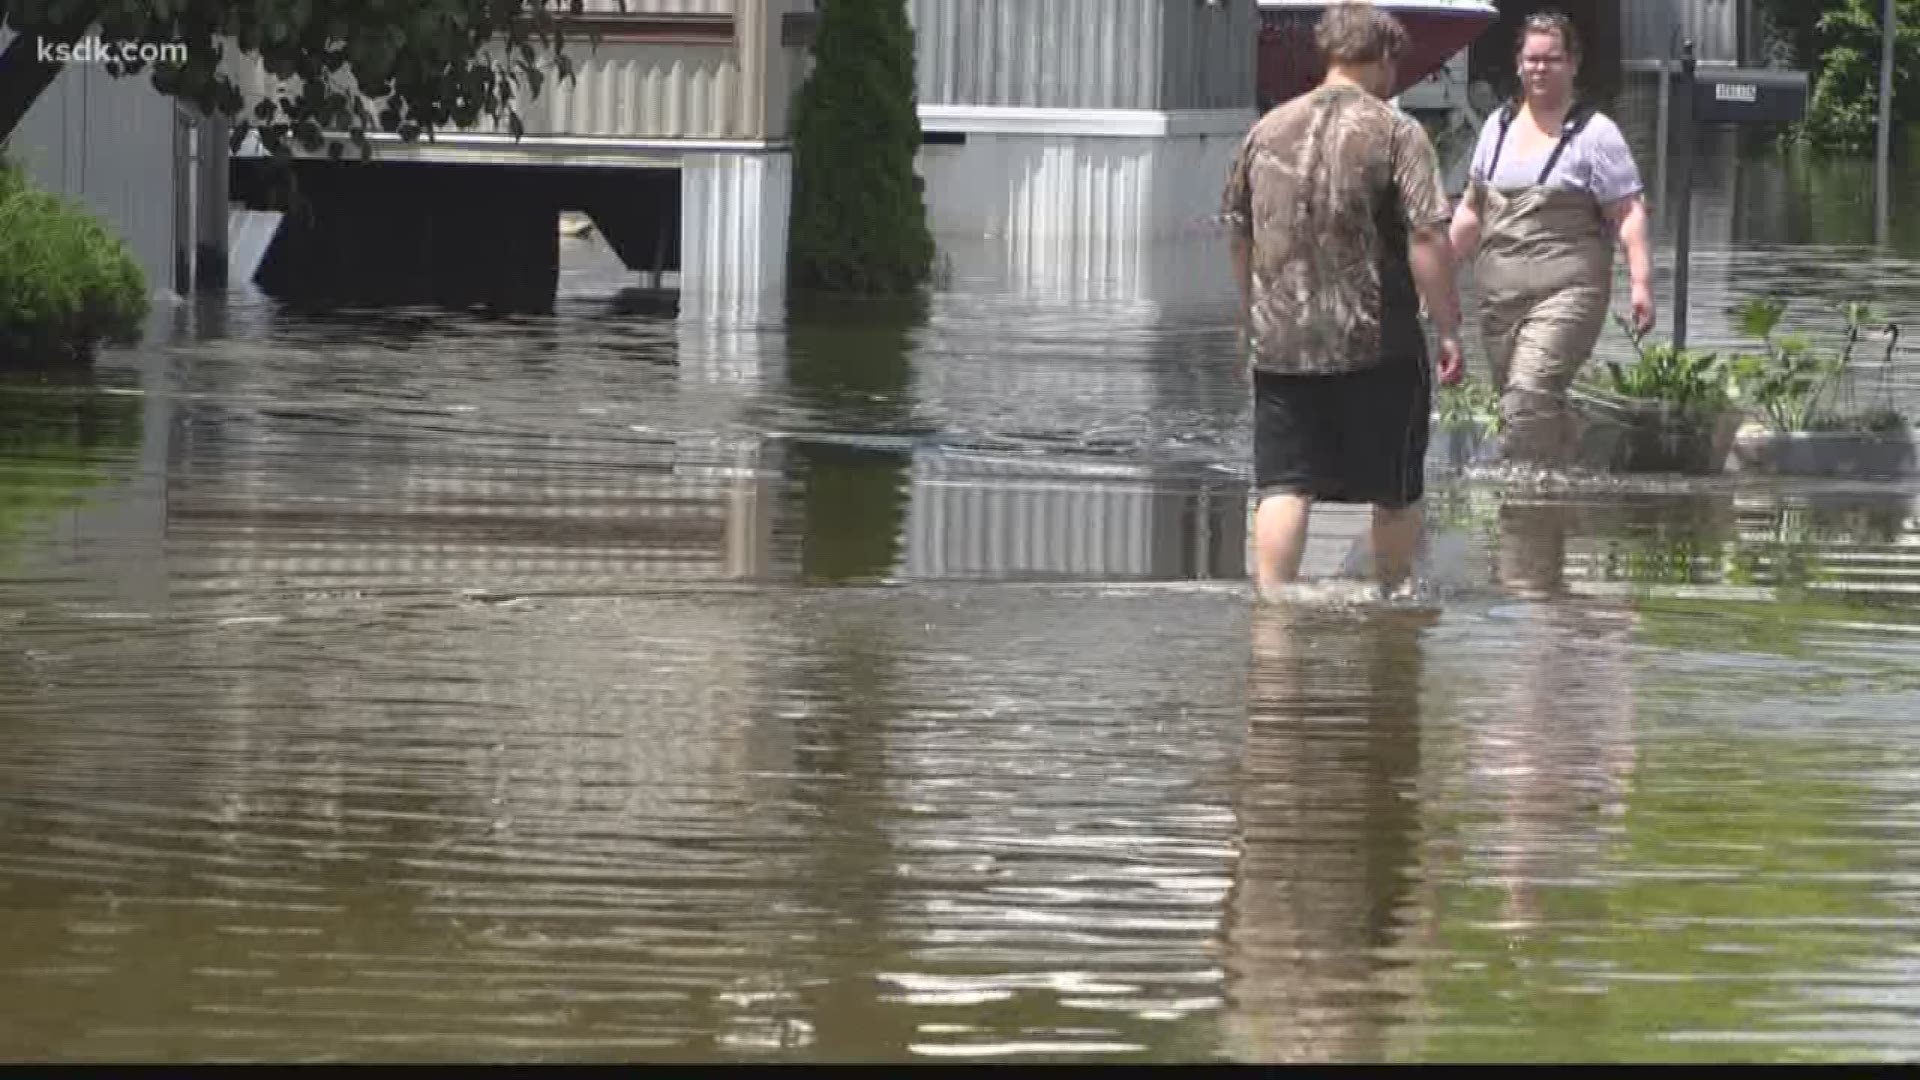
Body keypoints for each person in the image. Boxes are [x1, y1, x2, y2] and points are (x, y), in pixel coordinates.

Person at [1221, 1, 1465, 599]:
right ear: (1383, 59)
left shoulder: (1266, 129)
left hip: (1281, 342)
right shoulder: (1397, 132)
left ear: (1327, 54)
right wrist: (1451, 326)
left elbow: (1237, 229)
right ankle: (1394, 601)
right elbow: (1429, 234)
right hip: (1376, 342)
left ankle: (1273, 607)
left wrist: (1250, 315)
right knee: (1394, 488)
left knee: (1283, 484)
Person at [1449, 10, 1656, 467]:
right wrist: (1439, 281)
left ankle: (1527, 501)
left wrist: (1641, 282)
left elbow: (1628, 211)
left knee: (1528, 393)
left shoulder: (1596, 134)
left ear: (1573, 64)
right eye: (1532, 59)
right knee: (1518, 402)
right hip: (1499, 298)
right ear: (1519, 64)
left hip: (1568, 293)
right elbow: (1470, 210)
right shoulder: (1495, 128)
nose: (1540, 68)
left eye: (1552, 59)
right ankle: (1575, 468)